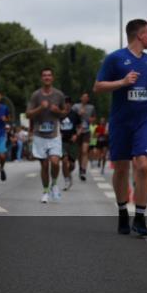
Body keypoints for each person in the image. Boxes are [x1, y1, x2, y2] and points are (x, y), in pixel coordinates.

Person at [94, 19, 147, 237]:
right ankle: (122, 212)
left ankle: (140, 217)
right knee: (121, 168)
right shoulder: (115, 58)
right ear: (139, 35)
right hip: (121, 121)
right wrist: (122, 82)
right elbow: (98, 87)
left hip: (145, 120)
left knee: (143, 166)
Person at [28, 67, 69, 203]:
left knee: (55, 162)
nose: (47, 77)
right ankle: (45, 191)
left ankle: (54, 184)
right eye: (44, 75)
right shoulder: (36, 95)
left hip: (54, 134)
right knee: (44, 165)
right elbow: (28, 114)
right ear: (42, 78)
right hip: (39, 135)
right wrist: (40, 108)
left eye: (49, 75)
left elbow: (64, 113)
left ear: (52, 78)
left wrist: (58, 111)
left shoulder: (59, 95)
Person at [71, 93, 95, 180]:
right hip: (77, 131)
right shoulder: (75, 106)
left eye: (86, 97)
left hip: (86, 131)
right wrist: (79, 114)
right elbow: (71, 117)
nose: (85, 98)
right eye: (83, 97)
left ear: (88, 99)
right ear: (80, 98)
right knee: (79, 152)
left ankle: (84, 170)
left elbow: (93, 118)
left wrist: (91, 120)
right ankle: (80, 168)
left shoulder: (91, 107)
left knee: (85, 151)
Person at [59, 96, 81, 191]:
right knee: (64, 160)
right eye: (65, 103)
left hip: (72, 142)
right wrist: (57, 133)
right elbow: (55, 125)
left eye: (68, 103)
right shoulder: (59, 114)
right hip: (61, 141)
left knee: (72, 165)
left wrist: (76, 135)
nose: (67, 105)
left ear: (71, 104)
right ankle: (67, 180)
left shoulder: (75, 115)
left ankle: (68, 173)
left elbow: (80, 127)